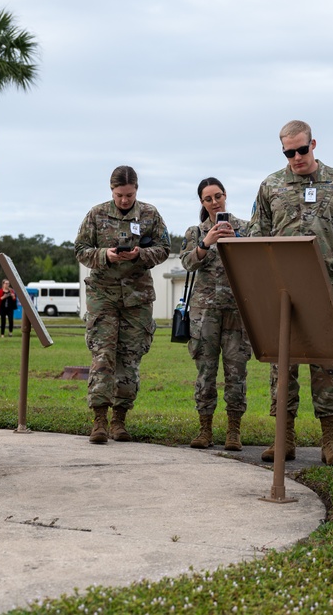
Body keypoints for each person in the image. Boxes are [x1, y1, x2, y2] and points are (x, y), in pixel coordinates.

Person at [246, 119, 333, 465]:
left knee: (326, 363)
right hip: (283, 289)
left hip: (324, 287)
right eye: (288, 151)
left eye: (301, 149)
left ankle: (331, 442)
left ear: (314, 144)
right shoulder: (271, 185)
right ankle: (284, 438)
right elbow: (256, 234)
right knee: (283, 364)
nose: (296, 157)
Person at [74, 165, 170, 444]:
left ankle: (119, 420)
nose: (124, 200)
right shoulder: (96, 214)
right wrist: (106, 255)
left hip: (137, 298)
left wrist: (141, 255)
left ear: (136, 190)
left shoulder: (150, 214)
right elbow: (80, 250)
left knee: (130, 358)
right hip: (103, 295)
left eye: (129, 195)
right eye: (119, 195)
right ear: (111, 191)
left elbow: (164, 248)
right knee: (103, 355)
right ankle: (100, 421)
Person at [180, 177, 252, 451]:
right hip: (205, 312)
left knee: (237, 370)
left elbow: (256, 260)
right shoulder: (195, 231)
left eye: (218, 196)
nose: (214, 202)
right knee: (205, 371)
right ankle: (205, 429)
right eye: (208, 199)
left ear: (225, 196)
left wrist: (237, 241)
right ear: (202, 202)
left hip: (237, 309)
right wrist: (205, 243)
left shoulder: (244, 227)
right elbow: (187, 263)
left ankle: (234, 431)